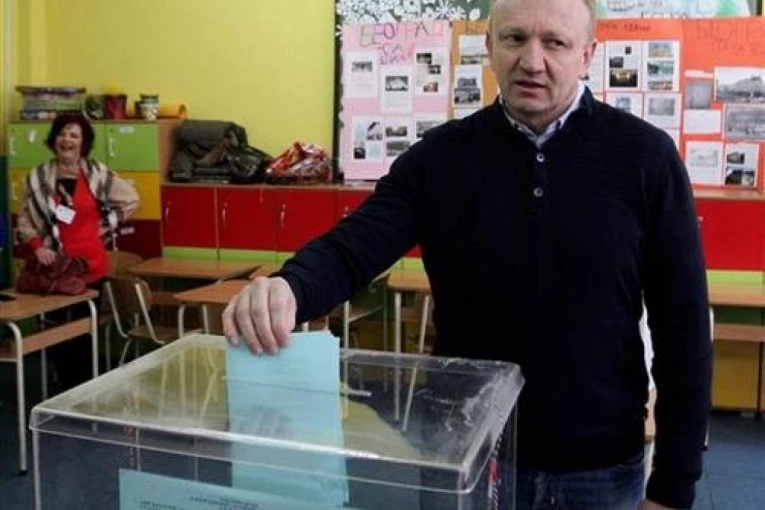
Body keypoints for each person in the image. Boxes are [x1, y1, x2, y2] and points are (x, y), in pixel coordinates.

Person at [223, 0, 711, 508]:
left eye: (555, 43)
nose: (532, 61)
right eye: (515, 38)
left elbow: (684, 330)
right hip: (464, 459)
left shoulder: (646, 159)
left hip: (598, 472)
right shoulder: (441, 158)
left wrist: (674, 487)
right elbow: (353, 248)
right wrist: (290, 286)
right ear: (490, 46)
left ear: (587, 54)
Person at [17, 113, 139, 389]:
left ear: (83, 143)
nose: (67, 140)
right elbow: (24, 221)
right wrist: (37, 247)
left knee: (83, 335)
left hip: (88, 268)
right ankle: (63, 388)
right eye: (62, 134)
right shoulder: (38, 177)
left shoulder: (96, 174)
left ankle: (82, 391)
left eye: (74, 135)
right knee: (55, 334)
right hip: (53, 269)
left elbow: (131, 199)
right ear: (54, 139)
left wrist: (106, 224)